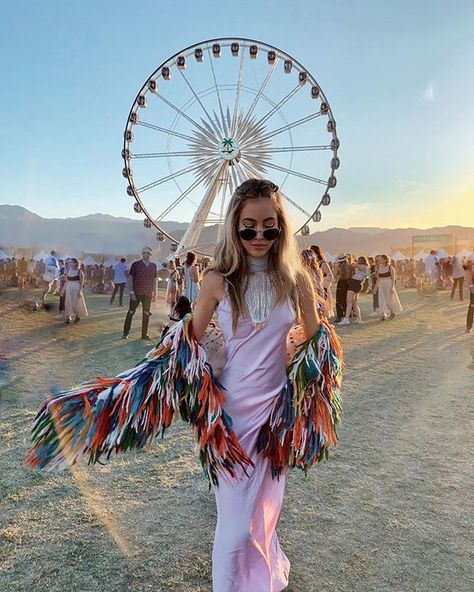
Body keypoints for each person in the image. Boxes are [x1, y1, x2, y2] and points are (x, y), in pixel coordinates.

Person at [27, 178, 343, 592]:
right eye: (249, 226)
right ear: (234, 227)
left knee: (264, 514)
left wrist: (301, 379)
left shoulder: (296, 280)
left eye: (270, 226)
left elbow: (313, 341)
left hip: (274, 422)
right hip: (229, 422)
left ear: (282, 227)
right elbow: (187, 342)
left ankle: (261, 580)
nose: (260, 235)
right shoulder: (218, 281)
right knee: (233, 530)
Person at [122, 247, 157, 340]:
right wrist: (131, 292)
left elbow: (154, 280)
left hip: (148, 293)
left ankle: (144, 334)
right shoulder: (136, 264)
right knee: (131, 312)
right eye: (144, 253)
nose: (146, 254)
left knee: (146, 313)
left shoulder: (153, 266)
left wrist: (155, 293)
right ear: (142, 254)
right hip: (136, 292)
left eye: (148, 253)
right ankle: (125, 333)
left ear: (151, 254)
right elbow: (130, 279)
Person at [338, 256, 370, 325]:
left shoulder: (364, 267)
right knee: (354, 303)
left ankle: (346, 319)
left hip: (354, 283)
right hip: (356, 284)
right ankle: (359, 318)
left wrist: (353, 263)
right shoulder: (364, 268)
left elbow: (356, 266)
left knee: (348, 301)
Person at [375, 255, 403, 320]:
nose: (379, 261)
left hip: (388, 284)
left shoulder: (390, 267)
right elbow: (378, 279)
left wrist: (392, 287)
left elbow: (393, 279)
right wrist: (375, 287)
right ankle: (383, 314)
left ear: (385, 260)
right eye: (379, 259)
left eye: (381, 259)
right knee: (381, 299)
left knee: (388, 300)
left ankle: (392, 312)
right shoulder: (379, 267)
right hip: (381, 284)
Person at [61, 258, 88, 324]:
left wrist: (79, 292)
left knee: (76, 303)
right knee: (68, 302)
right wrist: (63, 290)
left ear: (75, 263)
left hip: (76, 288)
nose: (69, 263)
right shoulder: (68, 271)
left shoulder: (79, 271)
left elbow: (81, 283)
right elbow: (66, 281)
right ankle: (68, 318)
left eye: (70, 262)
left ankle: (77, 316)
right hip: (69, 288)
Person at [334, 253, 352, 323]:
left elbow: (334, 274)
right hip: (348, 282)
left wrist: (338, 275)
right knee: (346, 299)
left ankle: (339, 316)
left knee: (339, 299)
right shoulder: (350, 266)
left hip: (341, 282)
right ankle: (348, 313)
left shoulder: (338, 266)